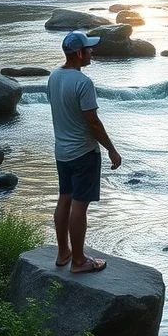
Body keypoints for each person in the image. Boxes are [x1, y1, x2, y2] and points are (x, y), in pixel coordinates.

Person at [48, 30, 122, 274]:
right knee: (79, 205)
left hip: (62, 151)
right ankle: (79, 261)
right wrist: (111, 149)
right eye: (88, 49)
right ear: (79, 53)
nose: (92, 51)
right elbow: (93, 122)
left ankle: (63, 254)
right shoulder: (83, 83)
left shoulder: (54, 77)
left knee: (65, 198)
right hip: (83, 153)